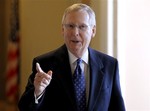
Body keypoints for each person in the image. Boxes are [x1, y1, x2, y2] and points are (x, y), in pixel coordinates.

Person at [18, 3, 126, 111]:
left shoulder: (110, 65)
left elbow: (117, 107)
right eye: (70, 26)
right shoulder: (44, 64)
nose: (75, 33)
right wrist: (38, 92)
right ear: (62, 30)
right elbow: (24, 108)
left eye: (82, 27)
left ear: (93, 31)